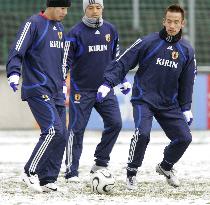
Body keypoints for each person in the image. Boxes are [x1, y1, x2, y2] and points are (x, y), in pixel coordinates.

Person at [97, 4, 197, 189]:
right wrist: (107, 83)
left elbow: (187, 82)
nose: (172, 25)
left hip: (169, 104)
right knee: (142, 134)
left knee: (185, 138)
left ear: (183, 23)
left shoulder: (187, 51)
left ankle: (166, 167)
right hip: (144, 99)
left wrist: (186, 107)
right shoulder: (148, 42)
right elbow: (123, 61)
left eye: (176, 22)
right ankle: (131, 172)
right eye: (169, 21)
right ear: (163, 21)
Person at [6, 0, 71, 192]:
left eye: (66, 9)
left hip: (56, 90)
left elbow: (63, 59)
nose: (64, 12)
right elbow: (17, 49)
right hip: (37, 88)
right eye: (61, 8)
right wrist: (13, 72)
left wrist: (63, 84)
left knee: (62, 135)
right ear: (50, 6)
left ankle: (48, 179)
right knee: (52, 131)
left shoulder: (60, 27)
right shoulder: (33, 24)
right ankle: (29, 171)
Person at [64, 0, 131, 181]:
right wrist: (62, 83)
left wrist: (122, 79)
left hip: (105, 89)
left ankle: (101, 162)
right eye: (91, 7)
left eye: (98, 7)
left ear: (103, 8)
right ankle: (71, 171)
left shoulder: (111, 30)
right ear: (85, 9)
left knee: (116, 123)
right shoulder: (74, 33)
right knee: (76, 130)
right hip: (81, 91)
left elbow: (116, 59)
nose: (95, 11)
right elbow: (65, 62)